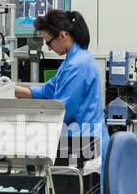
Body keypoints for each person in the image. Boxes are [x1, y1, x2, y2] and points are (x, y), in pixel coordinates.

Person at [14, 9, 109, 169]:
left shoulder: (78, 65)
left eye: (49, 42)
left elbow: (64, 110)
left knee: (75, 191)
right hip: (81, 139)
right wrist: (12, 90)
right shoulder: (72, 60)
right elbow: (46, 92)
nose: (49, 48)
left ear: (63, 35)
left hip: (85, 142)